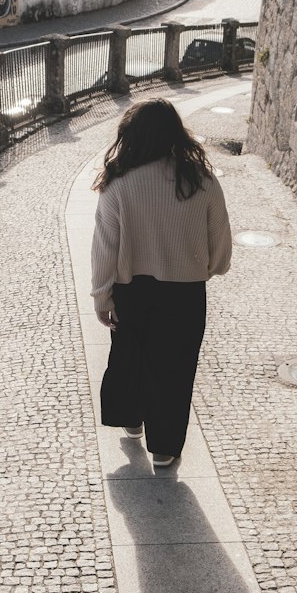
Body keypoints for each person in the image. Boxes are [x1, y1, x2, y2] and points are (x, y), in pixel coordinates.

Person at [90, 97, 232, 468]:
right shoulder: (202, 181)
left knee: (131, 357)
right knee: (174, 369)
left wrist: (102, 297)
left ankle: (132, 420)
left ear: (131, 136)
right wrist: (205, 269)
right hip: (184, 292)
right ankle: (165, 447)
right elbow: (220, 242)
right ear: (175, 134)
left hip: (131, 291)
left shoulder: (117, 185)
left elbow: (104, 248)